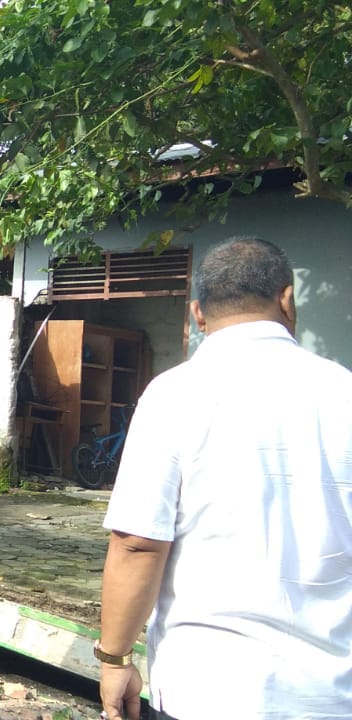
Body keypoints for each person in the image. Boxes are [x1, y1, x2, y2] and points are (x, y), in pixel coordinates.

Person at [98, 237, 352, 720]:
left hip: (208, 686)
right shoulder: (344, 391)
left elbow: (137, 544)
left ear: (197, 314)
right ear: (287, 299)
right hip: (332, 695)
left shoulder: (174, 394)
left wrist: (114, 658)